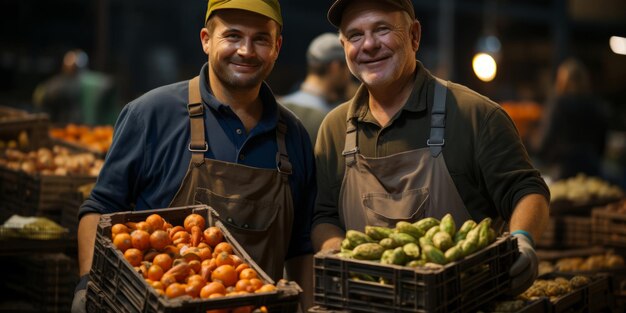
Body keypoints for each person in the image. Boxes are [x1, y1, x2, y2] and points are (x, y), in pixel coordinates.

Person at [71, 0, 315, 312]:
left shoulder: (294, 137)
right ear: (206, 40)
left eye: (261, 39)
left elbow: (300, 248)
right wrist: (87, 286)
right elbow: (99, 209)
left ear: (277, 46)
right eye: (233, 36)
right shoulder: (151, 115)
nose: (246, 50)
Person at [312, 0, 551, 297]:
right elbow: (324, 215)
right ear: (343, 45)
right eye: (355, 35)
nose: (369, 45)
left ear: (414, 35)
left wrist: (523, 239)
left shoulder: (475, 115)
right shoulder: (334, 129)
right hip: (368, 302)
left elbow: (526, 189)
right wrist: (341, 257)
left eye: (382, 29)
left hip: (464, 299)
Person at [532, 58, 609, 180]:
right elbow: (602, 141)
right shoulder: (596, 105)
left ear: (562, 80)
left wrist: (534, 148)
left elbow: (546, 139)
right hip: (592, 167)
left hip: (564, 169)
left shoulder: (558, 104)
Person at [280, 32, 352, 143]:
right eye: (348, 67)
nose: (350, 75)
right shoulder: (331, 120)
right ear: (335, 67)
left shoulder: (279, 106)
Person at [33, 49, 119, 125]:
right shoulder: (57, 84)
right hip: (64, 122)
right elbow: (41, 96)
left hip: (78, 122)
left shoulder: (86, 82)